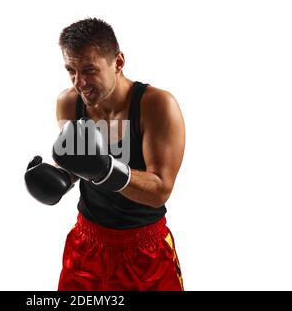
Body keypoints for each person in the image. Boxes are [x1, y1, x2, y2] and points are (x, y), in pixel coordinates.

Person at [25, 18, 185, 291]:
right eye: (71, 70)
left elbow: (160, 190)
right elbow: (80, 162)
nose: (80, 82)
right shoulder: (69, 102)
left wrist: (106, 170)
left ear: (118, 62)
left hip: (145, 251)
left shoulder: (156, 105)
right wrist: (60, 177)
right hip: (87, 245)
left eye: (89, 70)